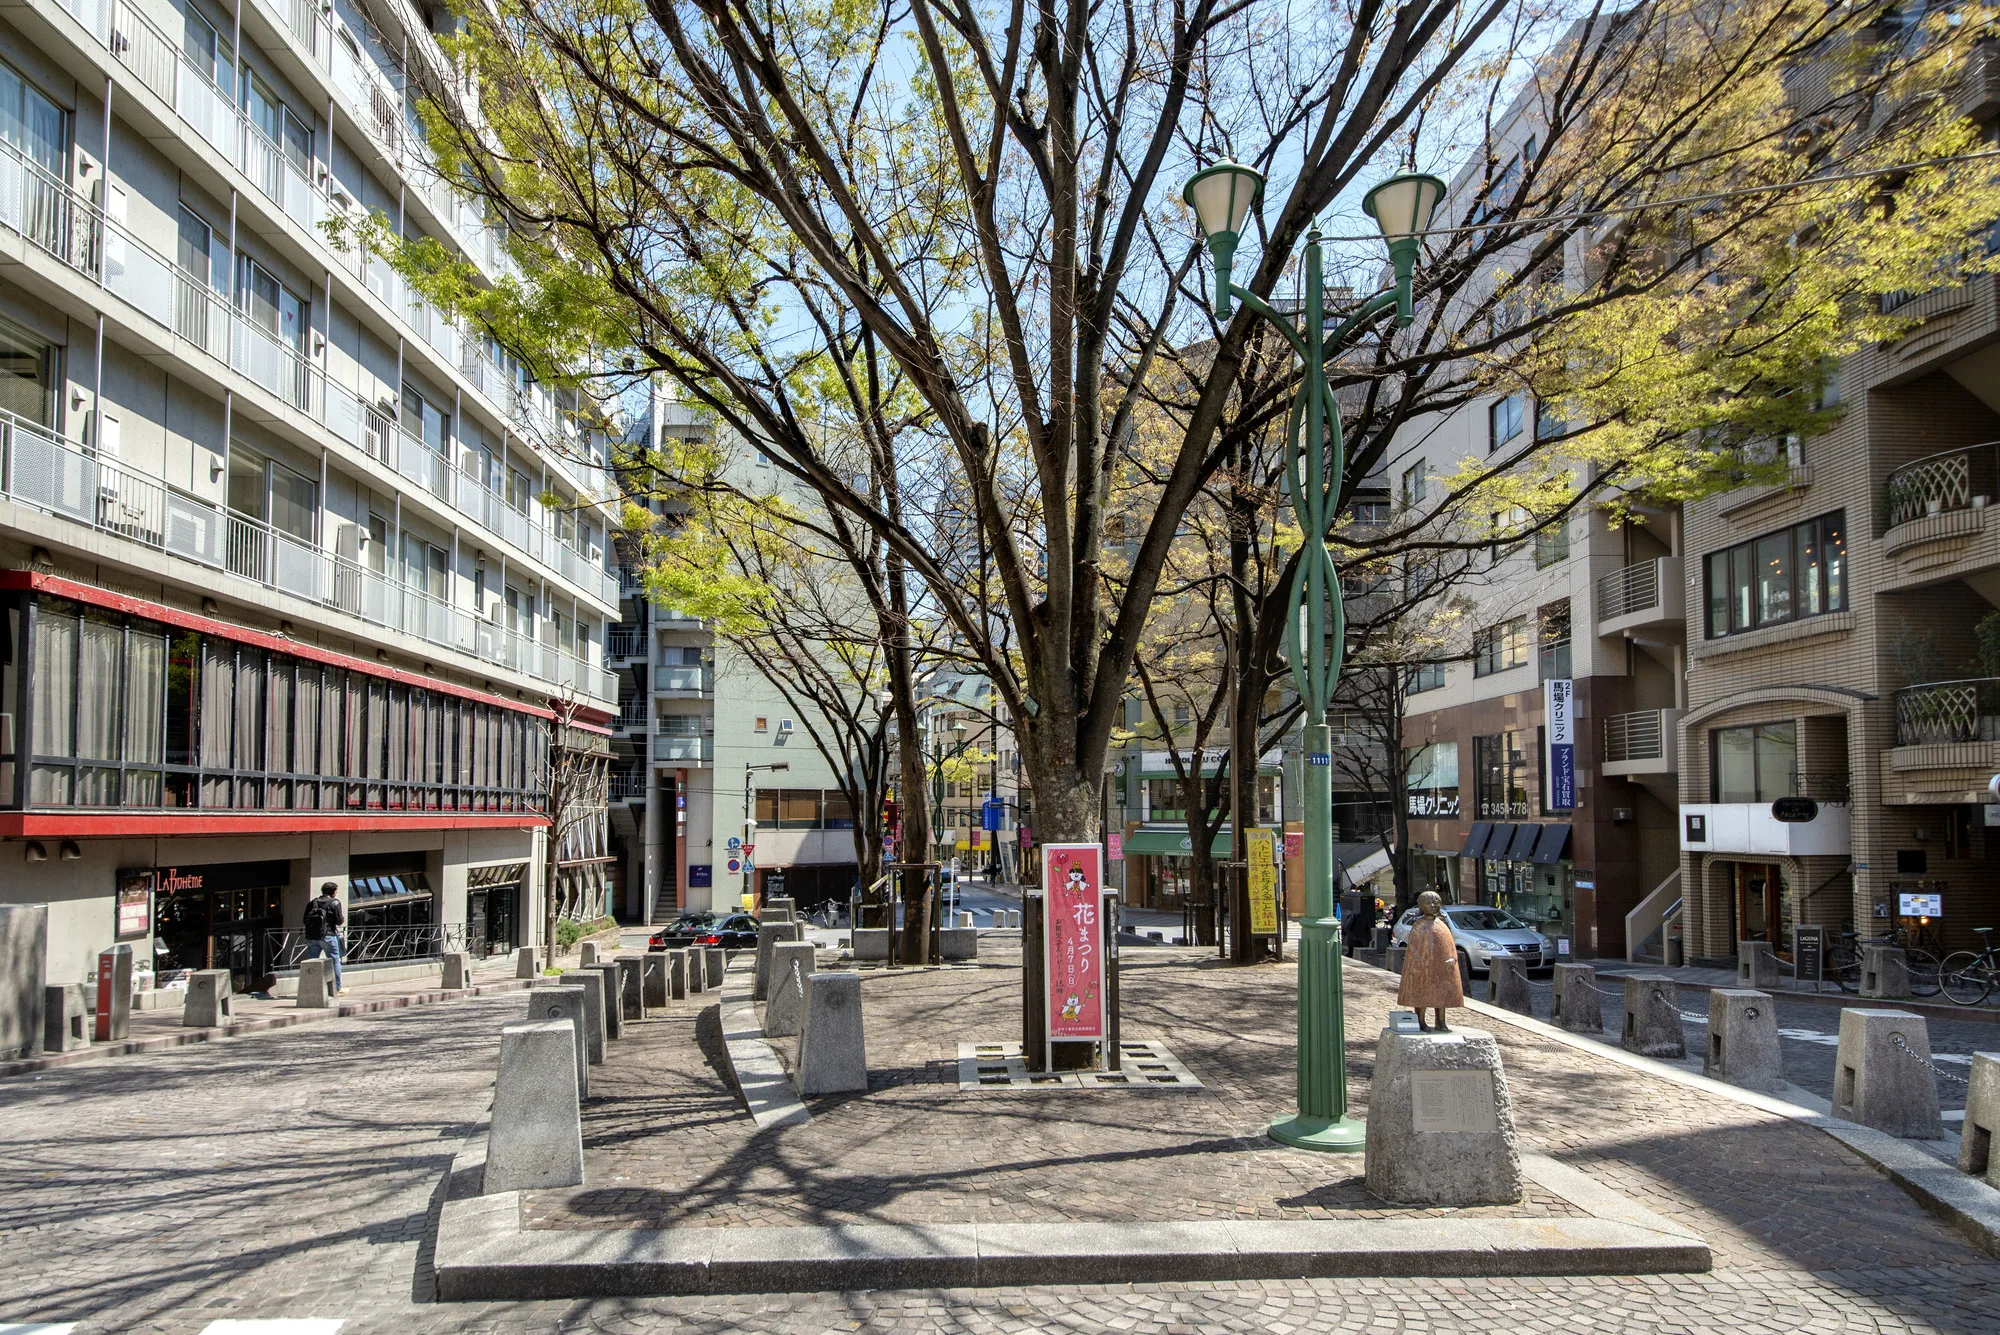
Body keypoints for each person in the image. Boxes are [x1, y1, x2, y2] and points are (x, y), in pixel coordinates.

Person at [1397, 890, 1463, 1031]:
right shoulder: (1419, 925)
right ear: (1421, 905)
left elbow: (1450, 944)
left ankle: (1441, 1021)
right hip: (1424, 967)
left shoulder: (1442, 924)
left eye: (1436, 903)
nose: (1433, 905)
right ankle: (1421, 1021)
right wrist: (1420, 961)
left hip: (1441, 966)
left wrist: (1452, 958)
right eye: (1429, 903)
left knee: (1442, 993)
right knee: (1422, 994)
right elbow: (1414, 948)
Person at [303, 882, 345, 995]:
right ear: (333, 892)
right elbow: (340, 920)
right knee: (335, 961)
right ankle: (337, 988)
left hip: (312, 936)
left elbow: (304, 920)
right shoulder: (335, 903)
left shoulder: (312, 903)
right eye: (336, 890)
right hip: (329, 936)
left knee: (313, 961)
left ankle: (311, 988)